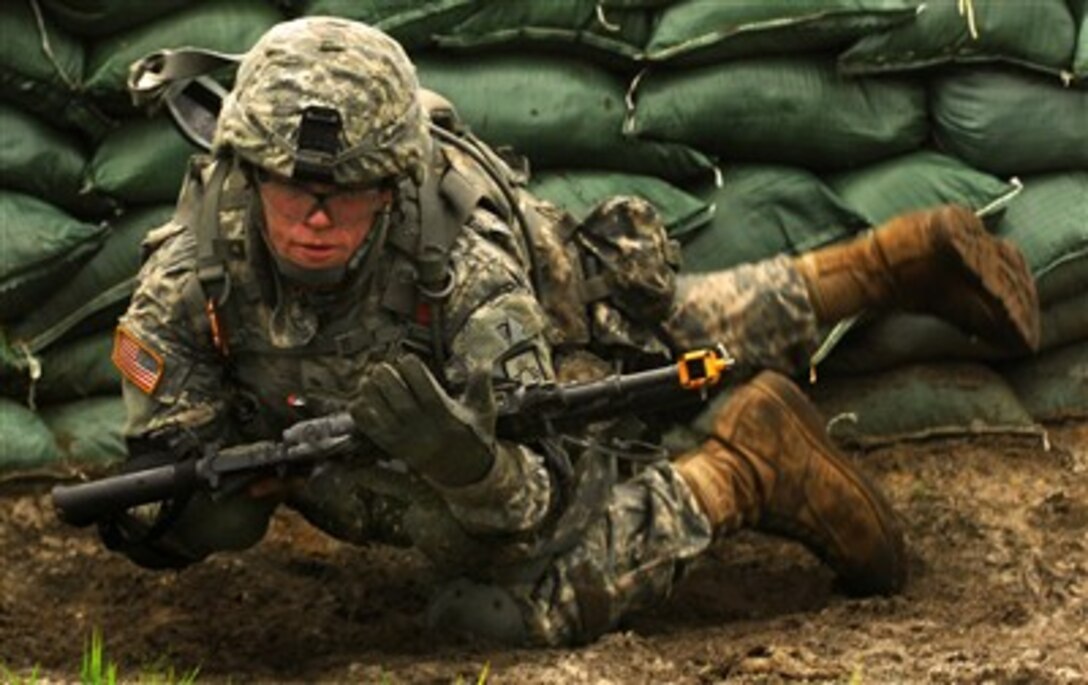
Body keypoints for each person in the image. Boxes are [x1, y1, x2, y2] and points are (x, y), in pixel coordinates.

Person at [101, 17, 1040, 646]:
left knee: (507, 599)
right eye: (287, 185)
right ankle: (883, 266)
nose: (314, 215)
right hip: (516, 321)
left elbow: (540, 510)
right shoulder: (192, 271)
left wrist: (466, 463)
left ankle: (745, 465)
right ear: (242, 168)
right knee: (683, 319)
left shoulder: (465, 276)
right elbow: (163, 452)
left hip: (544, 331)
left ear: (389, 184)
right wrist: (176, 513)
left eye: (343, 192)